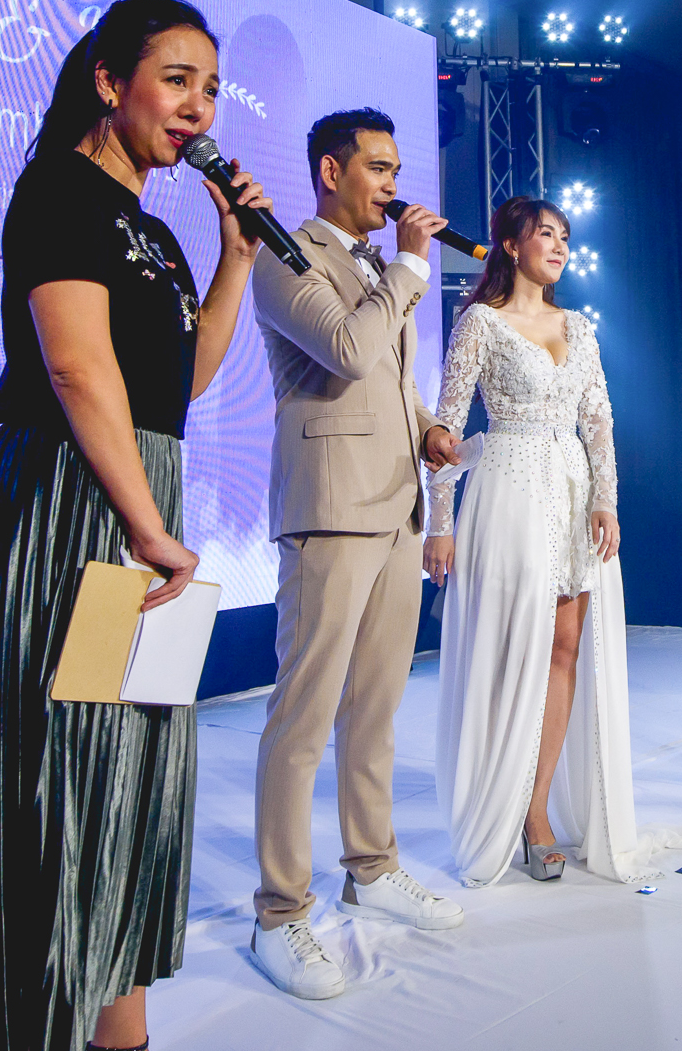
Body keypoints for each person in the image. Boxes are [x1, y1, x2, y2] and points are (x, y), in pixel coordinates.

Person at [0, 0, 271, 1051]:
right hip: (74, 509)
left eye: (211, 89)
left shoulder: (157, 231)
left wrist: (234, 258)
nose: (199, 107)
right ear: (108, 80)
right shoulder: (59, 188)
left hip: (142, 502)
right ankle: (24, 1018)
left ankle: (116, 1026)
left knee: (129, 769)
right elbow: (76, 367)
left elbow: (179, 383)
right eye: (177, 80)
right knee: (60, 765)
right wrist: (144, 524)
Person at [248, 108, 466, 1000]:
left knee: (374, 708)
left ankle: (370, 866)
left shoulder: (380, 267)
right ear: (332, 170)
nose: (393, 185)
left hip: (396, 505)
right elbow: (345, 348)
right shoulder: (286, 253)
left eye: (397, 169)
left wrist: (430, 427)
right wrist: (410, 268)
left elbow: (388, 376)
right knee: (303, 717)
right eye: (379, 167)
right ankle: (279, 910)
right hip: (331, 507)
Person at [424, 197, 682, 886]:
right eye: (545, 233)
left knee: (566, 647)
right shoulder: (480, 322)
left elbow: (599, 419)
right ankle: (499, 792)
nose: (560, 245)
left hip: (571, 490)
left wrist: (606, 501)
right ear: (511, 246)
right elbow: (445, 429)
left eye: (565, 236)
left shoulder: (580, 326)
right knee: (513, 648)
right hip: (508, 490)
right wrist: (440, 524)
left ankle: (537, 809)